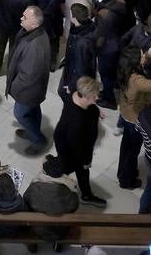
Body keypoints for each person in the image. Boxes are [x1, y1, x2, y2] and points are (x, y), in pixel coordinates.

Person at [117, 42, 151, 189]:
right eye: (141, 54)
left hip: (126, 113)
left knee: (125, 145)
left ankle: (122, 172)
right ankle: (126, 180)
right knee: (133, 151)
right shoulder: (136, 80)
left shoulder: (126, 67)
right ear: (135, 60)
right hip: (135, 118)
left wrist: (150, 53)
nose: (143, 56)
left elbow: (141, 61)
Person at [54, 76, 106, 206]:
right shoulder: (77, 122)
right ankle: (82, 195)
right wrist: (86, 161)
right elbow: (80, 146)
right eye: (94, 97)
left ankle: (85, 194)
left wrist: (96, 110)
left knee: (70, 168)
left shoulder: (74, 94)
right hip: (71, 148)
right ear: (84, 97)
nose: (97, 98)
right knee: (77, 169)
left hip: (64, 137)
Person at [5, 5, 51, 155]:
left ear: (35, 24)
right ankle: (32, 132)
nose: (21, 18)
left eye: (24, 17)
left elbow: (27, 76)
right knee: (33, 110)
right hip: (34, 90)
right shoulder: (31, 32)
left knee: (21, 114)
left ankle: (38, 139)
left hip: (28, 90)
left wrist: (13, 88)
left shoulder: (35, 46)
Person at [58, 2, 97, 101]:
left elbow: (80, 70)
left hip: (74, 76)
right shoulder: (82, 26)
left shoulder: (82, 43)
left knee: (63, 93)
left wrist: (71, 87)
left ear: (74, 18)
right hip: (70, 64)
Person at [32, 0, 65, 72]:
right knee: (54, 42)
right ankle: (52, 63)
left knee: (41, 44)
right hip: (56, 20)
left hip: (43, 22)